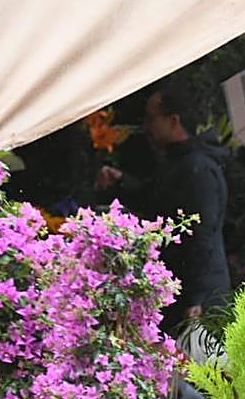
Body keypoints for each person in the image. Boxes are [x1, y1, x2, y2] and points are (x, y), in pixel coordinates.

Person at [97, 78, 230, 334]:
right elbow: (156, 201)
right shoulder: (179, 162)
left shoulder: (197, 168)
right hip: (182, 292)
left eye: (151, 118)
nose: (146, 126)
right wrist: (121, 182)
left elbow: (201, 236)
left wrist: (196, 299)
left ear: (173, 121)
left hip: (198, 300)